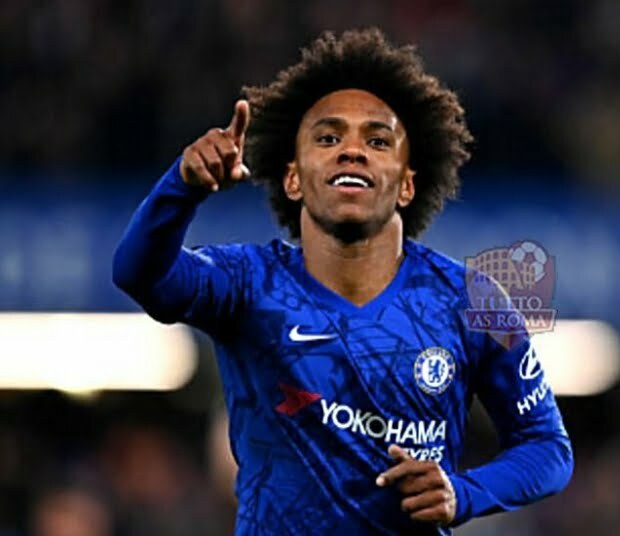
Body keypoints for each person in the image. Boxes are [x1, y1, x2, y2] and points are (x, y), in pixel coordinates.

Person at [113, 28, 573, 535]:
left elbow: (547, 448)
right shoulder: (246, 284)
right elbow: (140, 274)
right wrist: (181, 188)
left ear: (407, 184)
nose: (352, 151)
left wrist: (462, 493)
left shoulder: (473, 300)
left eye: (377, 141)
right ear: (292, 178)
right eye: (328, 138)